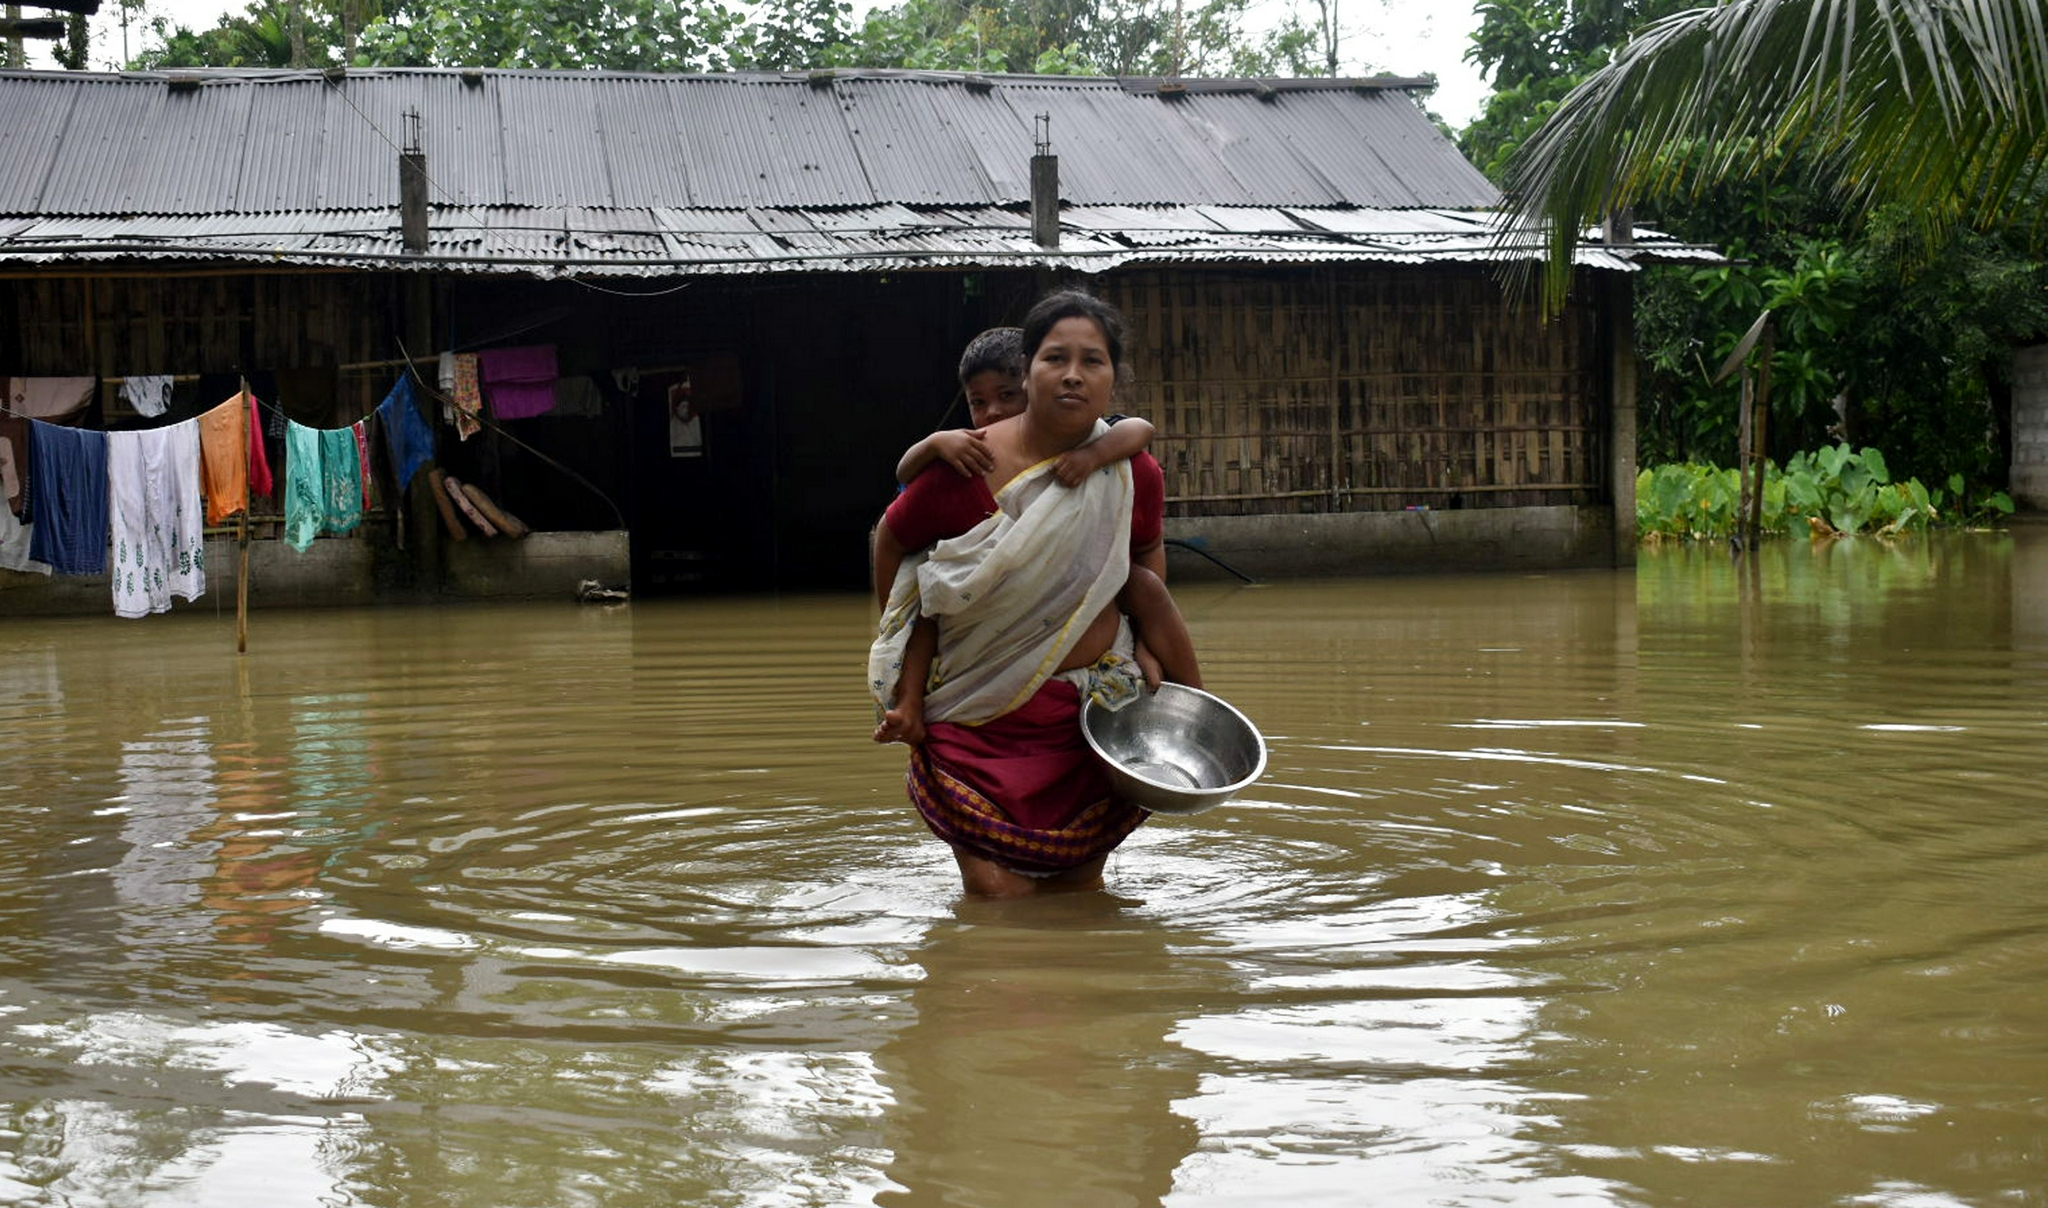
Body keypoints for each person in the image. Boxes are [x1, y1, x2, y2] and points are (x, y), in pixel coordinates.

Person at [868, 291, 1195, 897]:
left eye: (1092, 361)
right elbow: (890, 539)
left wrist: (1149, 641)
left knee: (1082, 897)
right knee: (996, 901)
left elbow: (1144, 554)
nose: (1073, 374)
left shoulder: (1130, 470)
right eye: (1055, 358)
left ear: (1112, 377)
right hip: (976, 719)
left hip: (1089, 725)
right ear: (1030, 366)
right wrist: (901, 643)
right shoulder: (964, 467)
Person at [876, 327, 1198, 750]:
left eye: (1008, 395)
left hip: (1095, 672)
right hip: (972, 649)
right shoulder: (960, 467)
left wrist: (1145, 646)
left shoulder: (1117, 462)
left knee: (1145, 586)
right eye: (978, 402)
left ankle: (1197, 722)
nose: (992, 413)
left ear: (1033, 384)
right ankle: (911, 705)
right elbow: (892, 525)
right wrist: (936, 442)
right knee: (929, 601)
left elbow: (1139, 430)